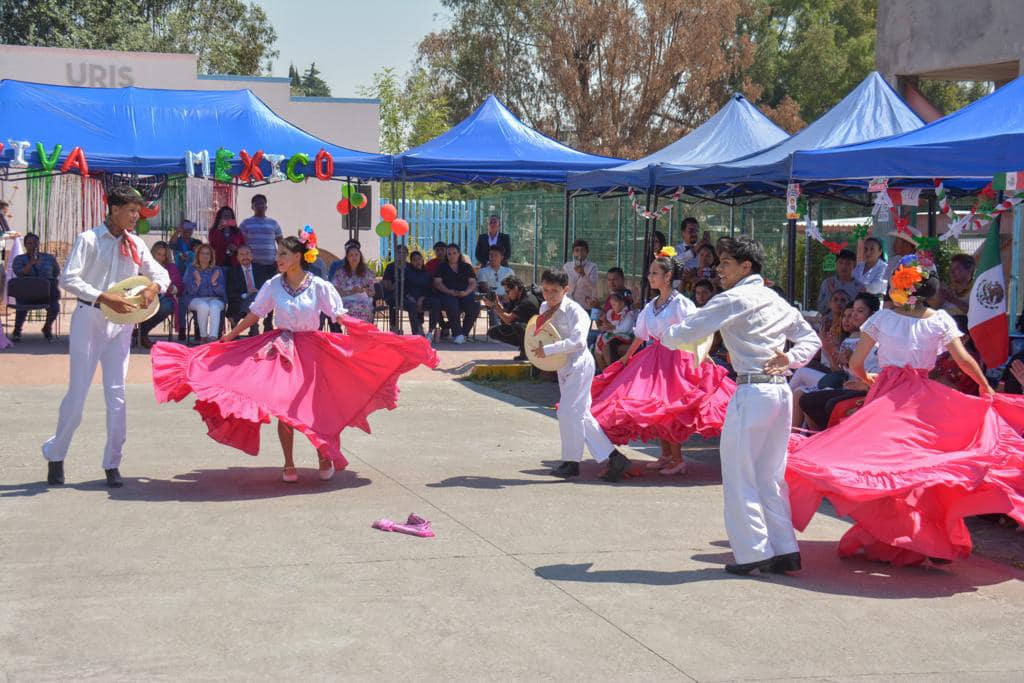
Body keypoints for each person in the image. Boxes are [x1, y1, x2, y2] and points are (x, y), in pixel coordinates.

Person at [784, 255, 1024, 567]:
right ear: (929, 289)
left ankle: (894, 535)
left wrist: (869, 377)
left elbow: (856, 364)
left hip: (887, 398)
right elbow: (965, 359)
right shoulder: (939, 320)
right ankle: (930, 537)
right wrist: (984, 386)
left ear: (898, 288)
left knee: (886, 467)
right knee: (923, 467)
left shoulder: (882, 320)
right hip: (924, 400)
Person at [151, 234, 438, 483]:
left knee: (316, 407)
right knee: (283, 406)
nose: (278, 258)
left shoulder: (319, 285)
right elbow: (256, 313)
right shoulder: (274, 284)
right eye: (278, 254)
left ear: (298, 256)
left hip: (313, 349)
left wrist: (370, 335)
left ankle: (323, 455)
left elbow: (338, 316)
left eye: (283, 254)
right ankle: (288, 462)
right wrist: (229, 337)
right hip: (282, 348)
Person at [662, 237, 821, 575]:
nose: (718, 269)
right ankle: (784, 548)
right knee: (770, 475)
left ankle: (753, 553)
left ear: (746, 267)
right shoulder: (775, 300)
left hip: (752, 392)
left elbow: (686, 332)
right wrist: (790, 358)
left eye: (725, 263)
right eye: (719, 263)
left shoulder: (733, 299)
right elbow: (812, 339)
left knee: (739, 473)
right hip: (778, 393)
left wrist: (662, 331)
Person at [42, 185, 170, 488]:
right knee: (78, 395)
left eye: (137, 211)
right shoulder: (88, 239)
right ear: (114, 210)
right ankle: (56, 454)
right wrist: (103, 297)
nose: (135, 216)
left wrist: (154, 288)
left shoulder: (136, 243)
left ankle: (112, 463)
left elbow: (159, 274)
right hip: (90, 319)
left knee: (117, 395)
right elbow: (69, 278)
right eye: (131, 210)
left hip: (122, 324)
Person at [591, 251, 735, 476]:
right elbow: (640, 333)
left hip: (677, 360)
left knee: (670, 408)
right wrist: (627, 356)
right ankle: (666, 455)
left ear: (667, 277)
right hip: (655, 357)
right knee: (656, 407)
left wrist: (704, 358)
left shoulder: (680, 303)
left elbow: (696, 331)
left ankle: (678, 459)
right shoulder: (652, 304)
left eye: (654, 273)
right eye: (650, 273)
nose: (650, 277)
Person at [529, 269, 631, 482]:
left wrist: (547, 351)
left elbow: (578, 342)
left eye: (554, 291)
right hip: (562, 366)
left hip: (579, 365)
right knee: (581, 415)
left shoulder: (576, 312)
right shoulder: (544, 307)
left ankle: (571, 462)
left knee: (567, 412)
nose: (548, 295)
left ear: (566, 289)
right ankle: (614, 458)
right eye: (545, 290)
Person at [10, 231, 60, 342]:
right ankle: (17, 331)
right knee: (21, 306)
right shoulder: (19, 259)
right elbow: (20, 274)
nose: (32, 245)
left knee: (55, 307)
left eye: (35, 243)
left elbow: (56, 273)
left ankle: (47, 328)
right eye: (29, 243)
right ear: (25, 245)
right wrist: (31, 263)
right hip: (27, 294)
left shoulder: (49, 258)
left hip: (47, 294)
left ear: (38, 244)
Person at [138, 241, 184, 348]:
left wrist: (173, 288)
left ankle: (142, 332)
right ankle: (141, 334)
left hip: (164, 298)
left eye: (163, 255)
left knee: (167, 306)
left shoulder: (171, 267)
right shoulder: (145, 266)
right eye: (158, 254)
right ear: (153, 253)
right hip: (145, 296)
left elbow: (179, 287)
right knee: (142, 304)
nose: (161, 257)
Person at [433, 242, 480, 344]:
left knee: (475, 305)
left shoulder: (466, 267)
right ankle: (457, 333)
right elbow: (437, 283)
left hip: (464, 293)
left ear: (459, 254)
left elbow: (473, 282)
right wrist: (449, 291)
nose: (452, 256)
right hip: (447, 293)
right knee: (452, 304)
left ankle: (464, 334)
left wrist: (466, 292)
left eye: (454, 253)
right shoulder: (442, 267)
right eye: (449, 254)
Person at [485, 275, 540, 359]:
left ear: (516, 288)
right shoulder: (516, 298)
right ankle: (524, 348)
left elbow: (508, 319)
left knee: (517, 325)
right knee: (493, 332)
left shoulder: (527, 300)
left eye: (508, 291)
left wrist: (494, 306)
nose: (507, 294)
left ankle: (526, 352)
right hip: (528, 330)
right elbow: (506, 315)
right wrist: (497, 303)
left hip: (538, 334)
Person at [182, 243, 226, 343]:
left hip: (215, 299)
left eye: (208, 254)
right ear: (197, 255)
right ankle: (203, 337)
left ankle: (213, 338)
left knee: (214, 306)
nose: (205, 256)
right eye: (202, 253)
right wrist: (197, 282)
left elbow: (222, 291)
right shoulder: (191, 269)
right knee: (203, 306)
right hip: (195, 299)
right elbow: (190, 291)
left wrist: (214, 283)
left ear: (211, 257)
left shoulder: (217, 270)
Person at [227, 244, 273, 336]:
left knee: (259, 297)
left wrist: (258, 293)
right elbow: (231, 293)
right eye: (241, 254)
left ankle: (254, 326)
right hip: (240, 301)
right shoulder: (232, 272)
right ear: (237, 257)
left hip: (259, 300)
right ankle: (253, 327)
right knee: (251, 298)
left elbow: (267, 288)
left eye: (247, 253)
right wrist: (246, 294)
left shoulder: (260, 269)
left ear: (252, 256)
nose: (245, 257)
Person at [331, 243, 376, 323]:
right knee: (353, 307)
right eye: (351, 255)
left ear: (360, 257)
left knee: (364, 308)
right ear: (347, 258)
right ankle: (353, 333)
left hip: (363, 302)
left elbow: (372, 292)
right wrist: (351, 292)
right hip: (346, 302)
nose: (354, 257)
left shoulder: (367, 272)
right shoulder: (340, 273)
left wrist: (363, 291)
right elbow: (335, 291)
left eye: (356, 255)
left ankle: (361, 334)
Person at [593, 292, 636, 371]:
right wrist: (605, 323)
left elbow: (624, 329)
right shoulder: (610, 313)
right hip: (613, 336)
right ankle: (604, 371)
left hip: (625, 338)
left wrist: (611, 327)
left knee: (607, 346)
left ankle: (612, 372)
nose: (612, 307)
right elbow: (606, 325)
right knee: (597, 346)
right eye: (611, 304)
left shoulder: (629, 314)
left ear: (622, 303)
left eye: (614, 304)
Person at [238, 194, 283, 269]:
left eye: (262, 203)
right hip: (252, 265)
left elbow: (281, 244)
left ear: (266, 207)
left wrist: (280, 259)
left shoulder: (274, 223)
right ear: (252, 207)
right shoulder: (245, 223)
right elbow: (240, 243)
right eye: (257, 204)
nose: (259, 206)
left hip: (271, 265)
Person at [476, 245, 514, 326]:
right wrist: (499, 298)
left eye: (496, 255)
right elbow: (484, 289)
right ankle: (496, 329)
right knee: (494, 303)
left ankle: (514, 329)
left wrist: (508, 296)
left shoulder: (509, 271)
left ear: (502, 257)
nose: (492, 257)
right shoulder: (482, 272)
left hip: (508, 299)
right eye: (491, 255)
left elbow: (514, 287)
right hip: (492, 300)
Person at [816, 249, 860, 315]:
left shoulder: (859, 287)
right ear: (836, 264)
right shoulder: (827, 283)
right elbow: (821, 309)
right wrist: (831, 296)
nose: (844, 266)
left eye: (848, 263)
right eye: (841, 262)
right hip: (829, 323)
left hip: (848, 323)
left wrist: (834, 292)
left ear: (854, 266)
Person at [563, 239, 598, 307]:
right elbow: (563, 285)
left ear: (587, 252)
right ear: (573, 253)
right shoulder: (567, 266)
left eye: (582, 250)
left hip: (585, 304)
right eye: (577, 250)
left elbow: (593, 287)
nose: (580, 253)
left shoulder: (592, 267)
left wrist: (583, 274)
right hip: (569, 304)